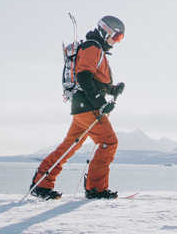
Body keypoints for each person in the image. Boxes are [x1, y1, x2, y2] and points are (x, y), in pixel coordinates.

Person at [31, 15, 126, 200]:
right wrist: (100, 102)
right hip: (88, 107)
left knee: (69, 147)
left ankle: (41, 183)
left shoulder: (96, 49)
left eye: (119, 39)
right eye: (116, 37)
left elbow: (95, 80)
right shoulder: (92, 47)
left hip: (81, 107)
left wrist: (112, 89)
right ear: (105, 31)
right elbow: (83, 76)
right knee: (109, 142)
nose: (116, 42)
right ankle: (96, 188)